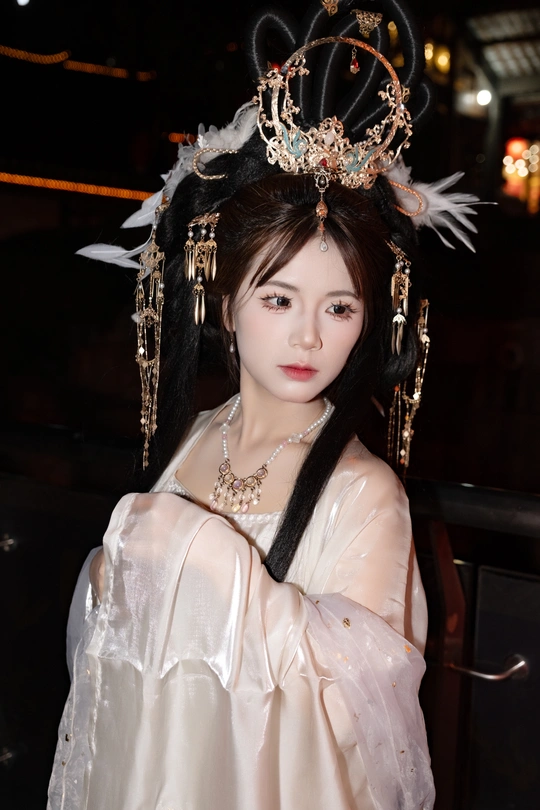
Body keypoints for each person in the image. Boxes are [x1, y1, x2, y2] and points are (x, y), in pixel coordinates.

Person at [48, 2, 480, 808]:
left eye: (339, 307)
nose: (308, 336)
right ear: (225, 302)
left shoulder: (364, 495)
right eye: (279, 300)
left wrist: (207, 566)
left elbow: (361, 719)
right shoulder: (192, 440)